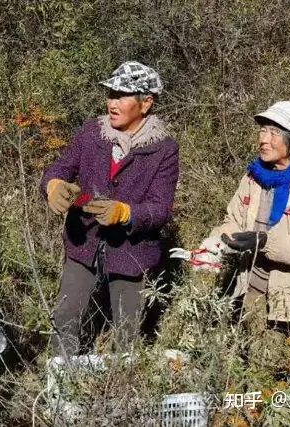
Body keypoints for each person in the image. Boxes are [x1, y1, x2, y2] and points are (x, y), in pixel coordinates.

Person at [183, 101, 290, 388]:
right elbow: (234, 220)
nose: (263, 139)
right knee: (257, 380)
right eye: (263, 131)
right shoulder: (253, 178)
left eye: (274, 132)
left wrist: (265, 241)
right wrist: (215, 244)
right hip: (256, 295)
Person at [40, 61, 180, 355]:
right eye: (110, 94)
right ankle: (61, 391)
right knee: (65, 319)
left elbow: (160, 208)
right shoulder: (92, 132)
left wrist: (125, 213)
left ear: (146, 103)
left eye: (122, 96)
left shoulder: (164, 149)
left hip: (132, 252)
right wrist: (53, 185)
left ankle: (120, 395)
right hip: (84, 242)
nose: (112, 103)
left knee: (126, 334)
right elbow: (62, 166)